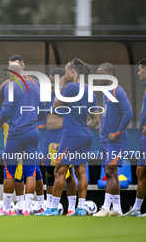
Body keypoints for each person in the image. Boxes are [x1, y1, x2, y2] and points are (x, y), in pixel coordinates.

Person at [41, 58, 100, 216]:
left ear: (74, 71)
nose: (65, 74)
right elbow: (96, 120)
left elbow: (56, 103)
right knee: (81, 171)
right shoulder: (90, 91)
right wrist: (82, 131)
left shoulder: (72, 87)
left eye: (67, 71)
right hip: (85, 136)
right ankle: (80, 208)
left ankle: (52, 208)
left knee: (60, 171)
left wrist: (60, 87)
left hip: (71, 135)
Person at [0, 63, 47, 216]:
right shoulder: (36, 86)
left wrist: (2, 121)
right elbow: (43, 112)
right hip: (33, 134)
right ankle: (26, 209)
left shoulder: (11, 86)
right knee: (31, 172)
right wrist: (32, 119)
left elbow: (7, 110)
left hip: (16, 134)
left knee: (9, 171)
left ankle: (6, 208)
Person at [93, 63, 133, 216]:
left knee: (109, 172)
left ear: (110, 74)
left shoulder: (118, 90)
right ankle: (117, 209)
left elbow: (128, 113)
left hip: (116, 140)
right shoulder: (106, 92)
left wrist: (116, 133)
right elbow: (108, 113)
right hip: (105, 139)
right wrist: (102, 128)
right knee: (112, 173)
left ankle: (105, 208)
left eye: (101, 73)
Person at [38, 67, 78, 216]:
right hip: (49, 138)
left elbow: (70, 119)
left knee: (67, 173)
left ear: (63, 79)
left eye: (54, 81)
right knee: (49, 173)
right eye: (50, 82)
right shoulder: (50, 96)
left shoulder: (66, 95)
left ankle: (72, 208)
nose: (52, 84)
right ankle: (50, 207)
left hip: (62, 137)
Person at [123, 59, 146, 217]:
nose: (138, 73)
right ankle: (137, 208)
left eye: (140, 70)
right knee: (140, 171)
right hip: (143, 140)